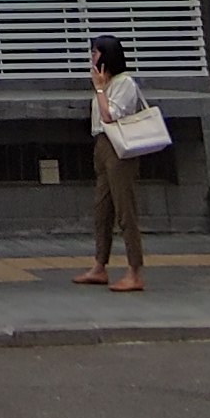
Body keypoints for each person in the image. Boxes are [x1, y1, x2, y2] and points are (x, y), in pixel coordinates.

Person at [72, 33, 145, 292]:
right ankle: (99, 265)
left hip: (119, 147)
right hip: (102, 144)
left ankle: (134, 271)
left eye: (95, 52)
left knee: (125, 210)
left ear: (107, 55)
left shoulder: (124, 83)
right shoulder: (106, 82)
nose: (92, 57)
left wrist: (100, 89)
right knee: (102, 209)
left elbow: (109, 115)